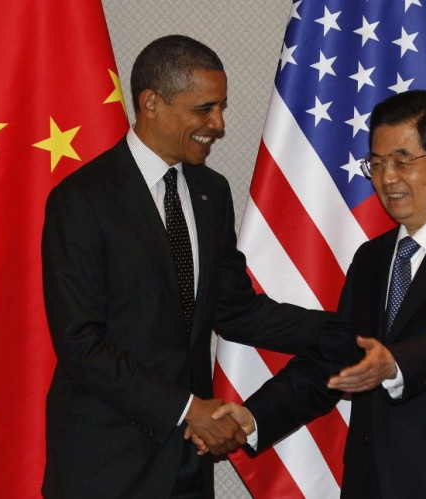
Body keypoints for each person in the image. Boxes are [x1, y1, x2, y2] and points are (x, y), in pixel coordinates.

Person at [41, 35, 331, 498]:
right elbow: (81, 343)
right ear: (151, 103)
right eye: (204, 109)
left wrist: (342, 331)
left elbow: (235, 310)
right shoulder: (82, 199)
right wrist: (186, 409)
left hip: (186, 465)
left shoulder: (210, 193)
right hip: (105, 464)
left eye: (222, 108)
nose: (218, 124)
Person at [204, 90, 426, 498]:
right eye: (376, 164)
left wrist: (394, 362)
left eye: (401, 161)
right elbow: (337, 356)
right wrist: (252, 418)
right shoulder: (372, 258)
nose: (387, 178)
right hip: (370, 483)